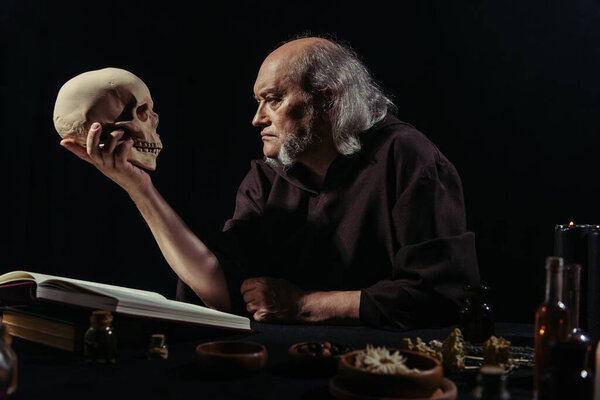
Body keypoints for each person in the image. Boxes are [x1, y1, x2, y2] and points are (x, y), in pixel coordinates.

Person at [60, 35, 480, 330]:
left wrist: (304, 305)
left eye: (273, 100)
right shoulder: (267, 176)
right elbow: (219, 286)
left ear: (327, 101)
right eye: (258, 102)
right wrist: (138, 187)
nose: (258, 119)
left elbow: (444, 295)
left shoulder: (408, 158)